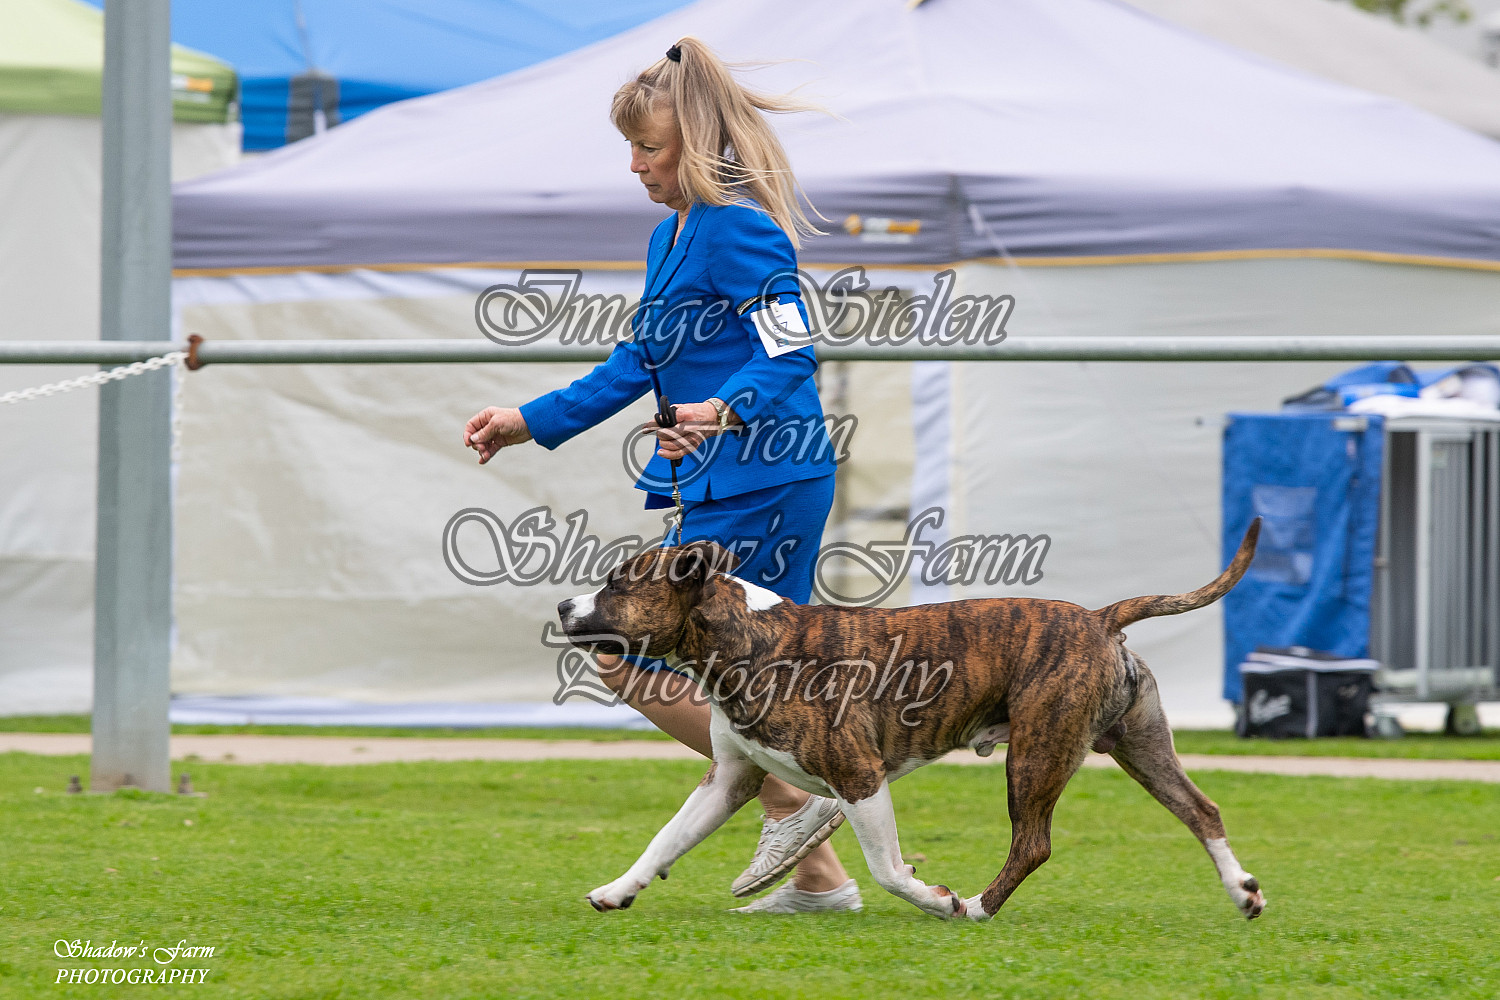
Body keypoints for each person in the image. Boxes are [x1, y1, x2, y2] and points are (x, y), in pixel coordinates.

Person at [463, 37, 859, 914]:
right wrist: (528, 421)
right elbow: (634, 361)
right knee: (756, 678)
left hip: (765, 476)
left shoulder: (740, 227)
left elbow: (792, 350)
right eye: (631, 149)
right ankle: (820, 880)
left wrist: (722, 410)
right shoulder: (669, 237)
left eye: (652, 148)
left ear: (701, 144)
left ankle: (797, 802)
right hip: (728, 480)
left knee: (621, 647)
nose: (637, 166)